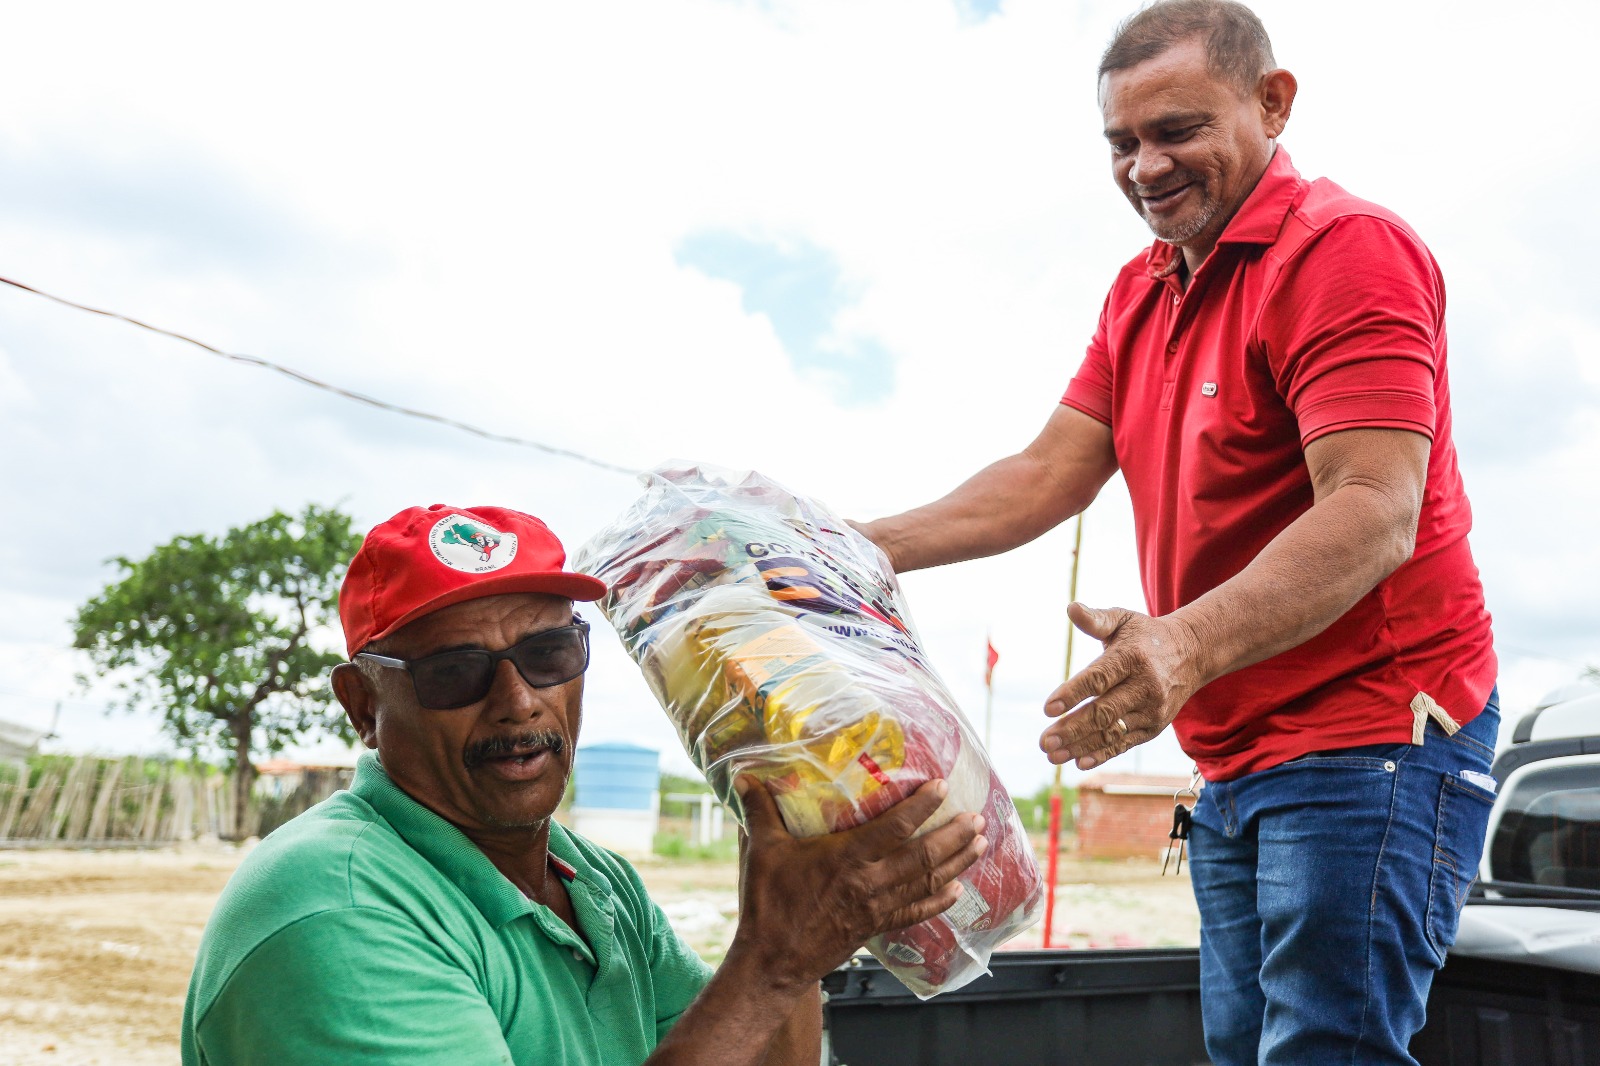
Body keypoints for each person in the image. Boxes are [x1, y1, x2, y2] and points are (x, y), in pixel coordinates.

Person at [854, 2, 1498, 1062]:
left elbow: (1372, 508)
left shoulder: (1347, 251)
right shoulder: (1139, 290)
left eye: (1177, 131)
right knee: (1242, 1046)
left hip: (1372, 733)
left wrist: (1184, 643)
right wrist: (849, 547)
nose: (1145, 167)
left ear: (1273, 103)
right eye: (1121, 143)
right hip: (1233, 747)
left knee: (1322, 1050)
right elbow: (1044, 471)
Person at [180, 503, 986, 1066]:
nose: (519, 699)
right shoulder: (335, 908)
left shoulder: (595, 885)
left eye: (548, 654)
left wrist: (802, 884)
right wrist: (773, 959)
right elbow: (760, 983)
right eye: (456, 671)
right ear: (363, 704)